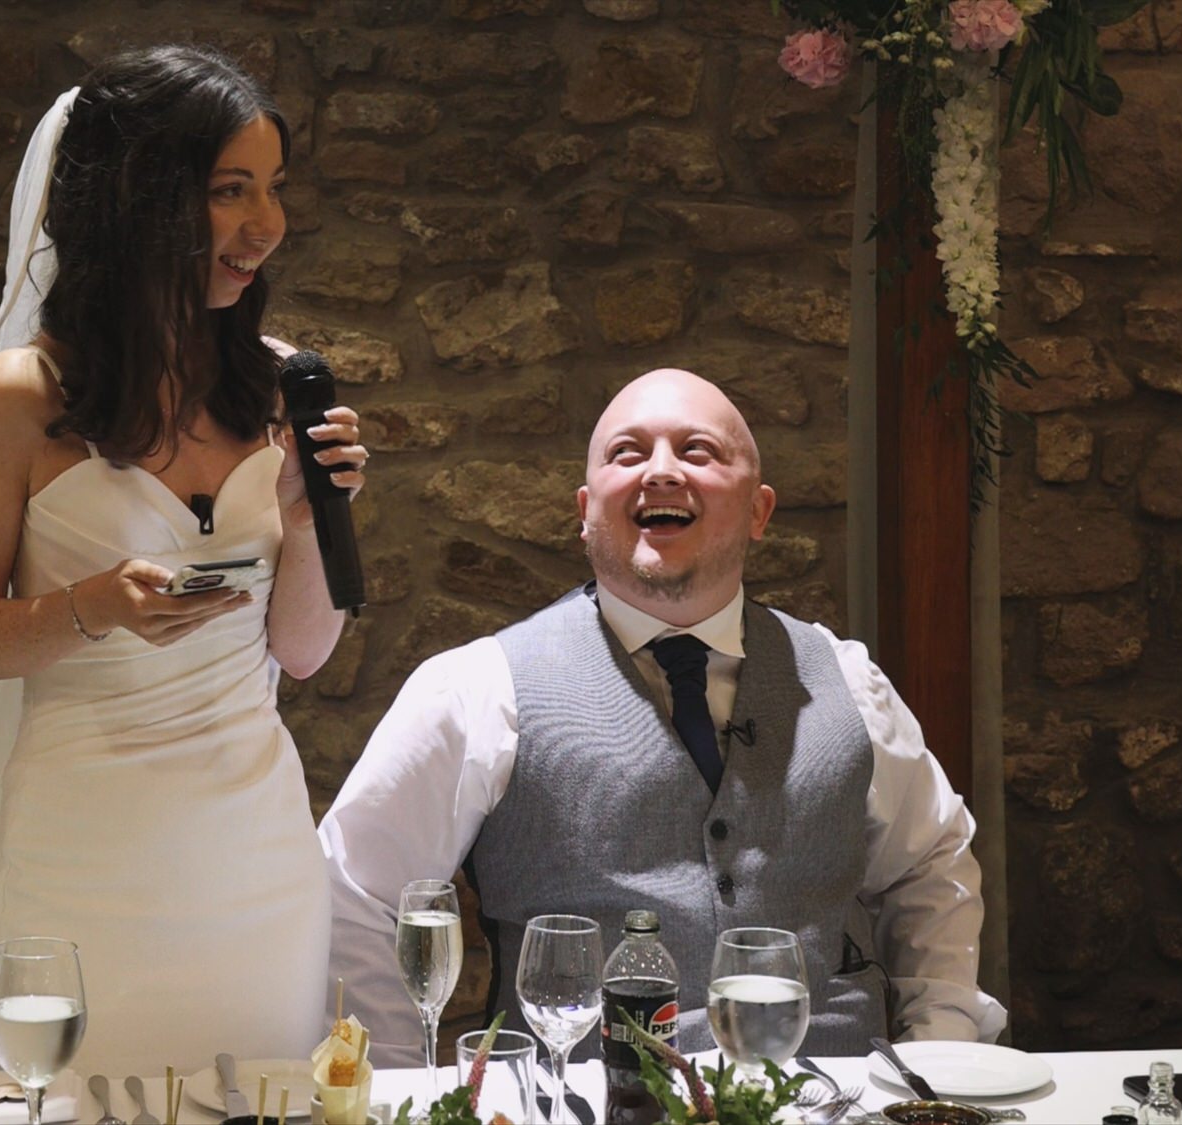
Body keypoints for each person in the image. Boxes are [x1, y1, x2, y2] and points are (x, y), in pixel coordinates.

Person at [0, 44, 366, 1077]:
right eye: (228, 191)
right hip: (84, 853)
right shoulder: (18, 399)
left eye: (274, 190)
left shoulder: (283, 381)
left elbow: (301, 653)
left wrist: (301, 513)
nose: (265, 226)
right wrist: (89, 608)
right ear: (137, 201)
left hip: (257, 856)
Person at [319, 369, 1006, 1066]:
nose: (661, 472)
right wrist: (405, 1090)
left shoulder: (848, 678)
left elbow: (932, 864)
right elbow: (356, 891)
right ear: (585, 511)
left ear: (760, 511)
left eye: (698, 451)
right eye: (627, 452)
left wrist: (938, 1052)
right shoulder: (476, 686)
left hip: (832, 1101)